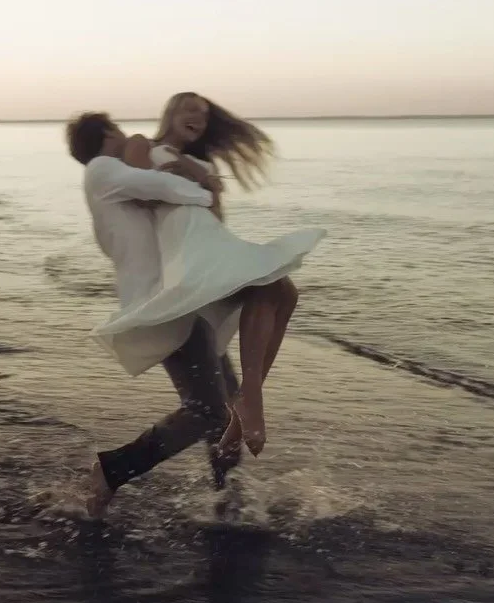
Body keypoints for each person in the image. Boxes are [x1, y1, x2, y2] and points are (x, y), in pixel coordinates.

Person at [94, 93, 325, 462]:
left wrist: (196, 174)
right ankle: (250, 400)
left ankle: (248, 399)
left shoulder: (203, 163)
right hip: (180, 240)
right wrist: (196, 179)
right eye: (190, 109)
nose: (198, 118)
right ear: (170, 112)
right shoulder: (143, 144)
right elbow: (143, 194)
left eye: (203, 114)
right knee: (270, 286)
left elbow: (214, 214)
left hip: (209, 236)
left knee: (285, 293)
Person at [67, 112, 245, 517]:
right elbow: (162, 185)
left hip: (182, 299)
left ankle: (227, 496)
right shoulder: (102, 169)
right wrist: (205, 188)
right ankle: (113, 469)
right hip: (162, 307)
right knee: (207, 409)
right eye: (118, 129)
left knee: (227, 404)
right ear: (107, 134)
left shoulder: (113, 183)